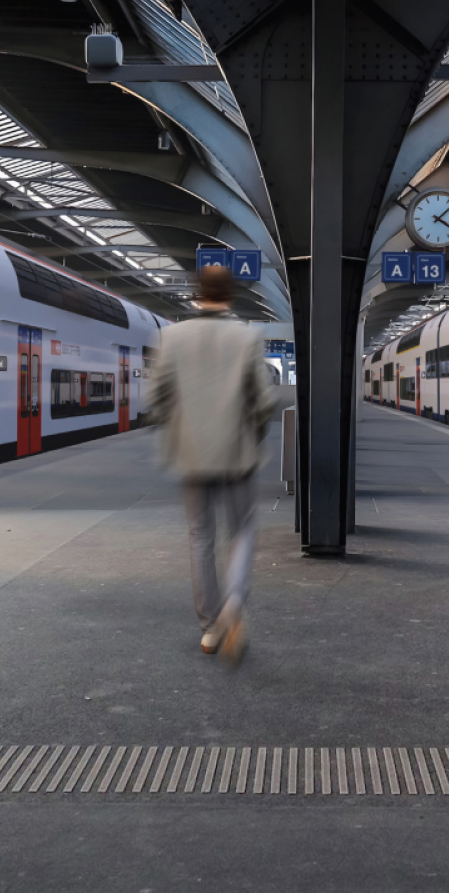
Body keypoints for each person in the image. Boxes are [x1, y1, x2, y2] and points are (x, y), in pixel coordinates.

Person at [149, 264, 278, 661]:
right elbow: (264, 401)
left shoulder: (172, 337)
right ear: (231, 295)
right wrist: (253, 434)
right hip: (237, 454)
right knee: (242, 530)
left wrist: (180, 428)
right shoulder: (246, 338)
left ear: (197, 293)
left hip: (192, 455)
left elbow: (156, 399)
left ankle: (209, 629)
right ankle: (233, 604)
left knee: (200, 537)